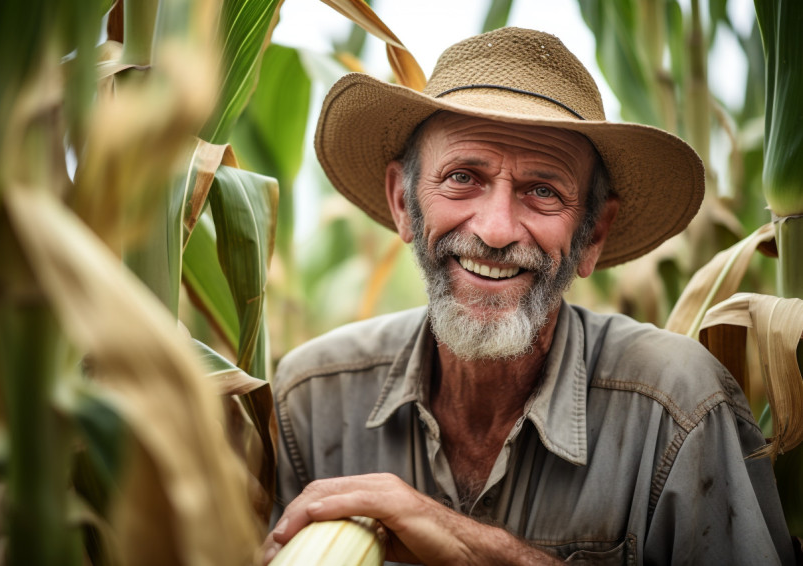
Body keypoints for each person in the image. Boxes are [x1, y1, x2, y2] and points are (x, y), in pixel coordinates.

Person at [264, 27, 796, 565]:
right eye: (463, 177)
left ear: (592, 235)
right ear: (403, 203)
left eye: (543, 191)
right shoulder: (311, 402)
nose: (495, 231)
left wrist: (481, 551)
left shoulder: (679, 410)